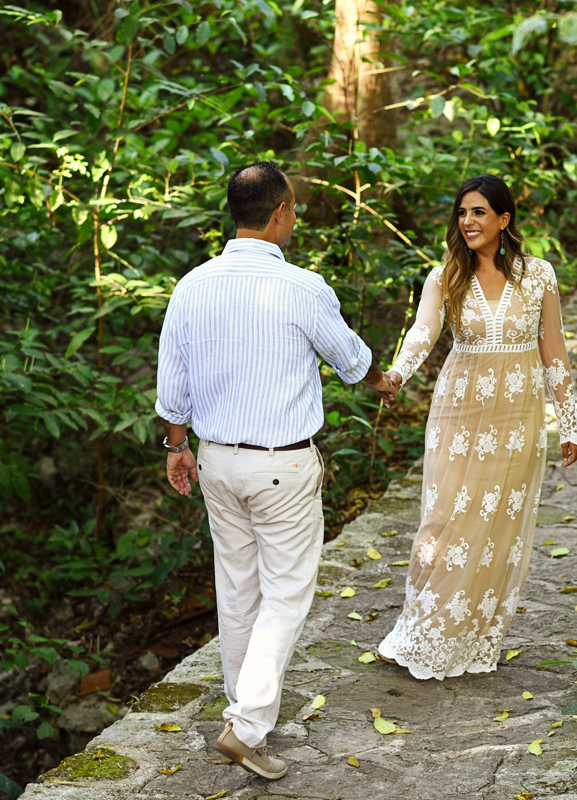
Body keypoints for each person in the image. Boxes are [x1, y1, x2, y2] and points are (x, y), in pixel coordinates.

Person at [155, 161, 393, 780]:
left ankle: (244, 719)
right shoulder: (302, 287)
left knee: (237, 589)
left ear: (236, 213)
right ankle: (249, 723)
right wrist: (382, 381)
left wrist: (176, 447)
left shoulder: (191, 286)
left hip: (217, 461)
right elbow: (348, 358)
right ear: (281, 212)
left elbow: (172, 384)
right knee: (286, 594)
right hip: (281, 465)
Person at [375, 174, 577, 680]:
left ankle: (469, 637)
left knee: (496, 528)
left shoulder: (539, 275)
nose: (467, 222)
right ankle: (422, 630)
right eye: (462, 213)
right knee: (443, 520)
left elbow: (553, 350)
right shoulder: (444, 275)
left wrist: (569, 422)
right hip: (459, 411)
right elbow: (423, 332)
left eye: (479, 213)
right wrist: (398, 374)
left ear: (504, 220)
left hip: (518, 417)